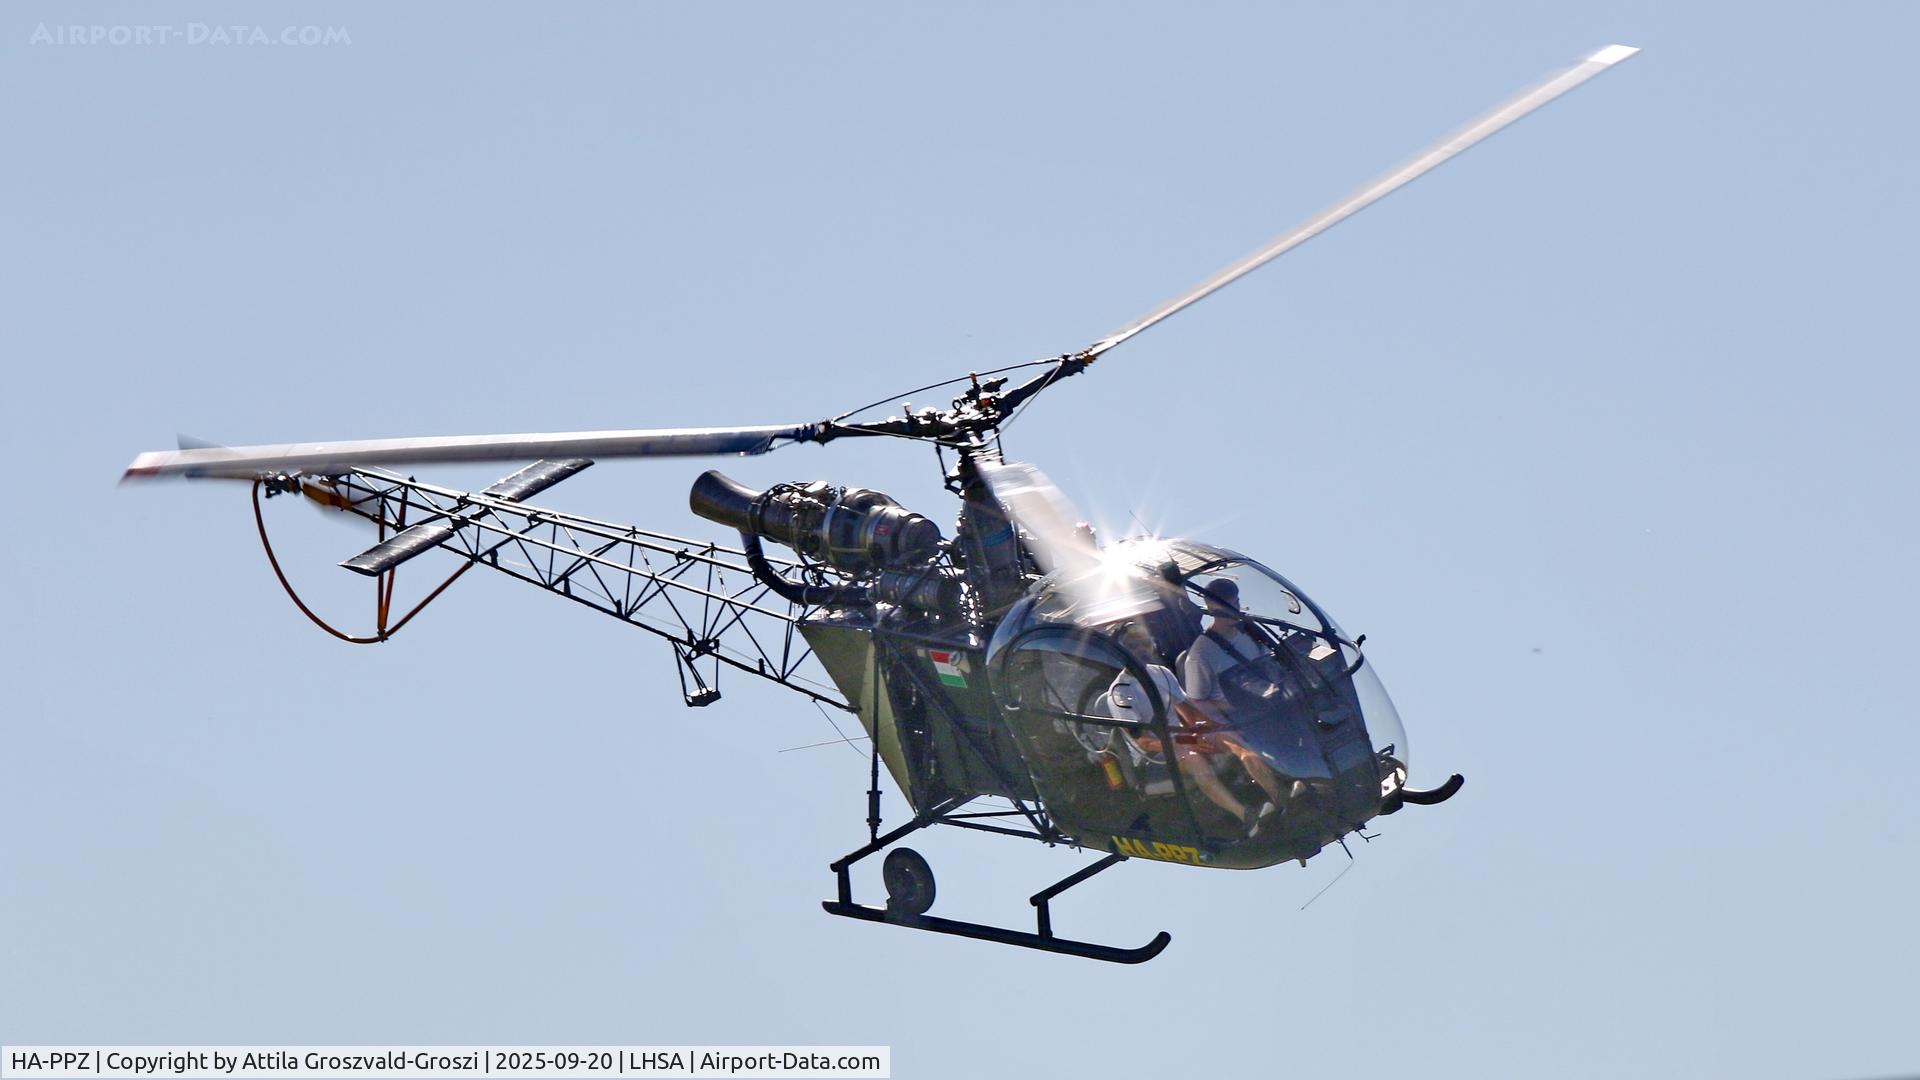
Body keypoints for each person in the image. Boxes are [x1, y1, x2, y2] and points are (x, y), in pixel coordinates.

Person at [1106, 622, 1274, 836]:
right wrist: (1191, 740)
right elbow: (1144, 742)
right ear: (1121, 651)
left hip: (1182, 740)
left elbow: (1189, 713)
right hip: (1153, 758)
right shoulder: (1121, 693)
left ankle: (1280, 798)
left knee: (1235, 742)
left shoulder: (1161, 673)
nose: (1141, 649)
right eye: (1132, 645)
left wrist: (1215, 731)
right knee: (1193, 758)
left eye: (1145, 643)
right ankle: (1247, 818)